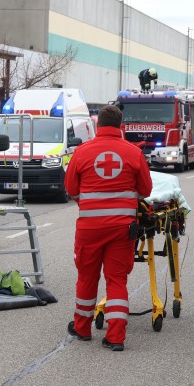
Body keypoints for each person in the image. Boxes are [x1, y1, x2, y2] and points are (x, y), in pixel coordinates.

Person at [64, 105, 152, 351]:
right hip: (122, 228)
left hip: (90, 228)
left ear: (97, 125)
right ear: (120, 125)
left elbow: (71, 188)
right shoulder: (133, 153)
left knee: (86, 276)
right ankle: (115, 337)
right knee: (117, 279)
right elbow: (145, 191)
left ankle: (82, 328)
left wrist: (89, 204)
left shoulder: (82, 152)